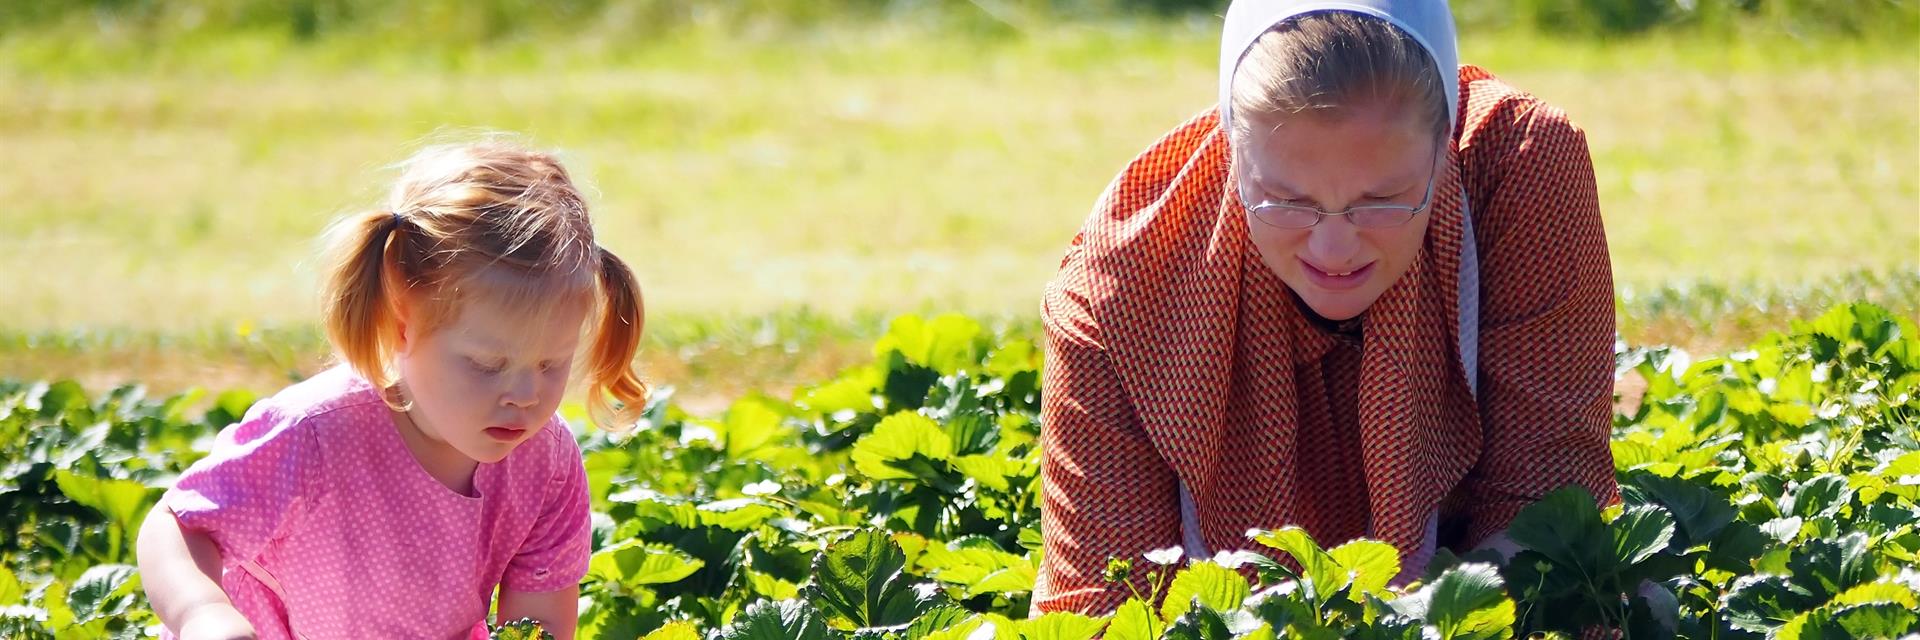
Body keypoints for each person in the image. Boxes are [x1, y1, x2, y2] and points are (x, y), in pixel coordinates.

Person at [1034, 0, 1618, 614]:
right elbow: (1103, 606)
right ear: (1234, 149)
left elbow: (1548, 508)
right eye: (1285, 198)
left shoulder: (1519, 166)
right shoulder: (1123, 288)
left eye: (1383, 198)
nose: (1333, 247)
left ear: (1446, 149)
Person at [136, 140, 650, 639]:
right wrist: (203, 615)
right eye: (486, 364)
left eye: (550, 363)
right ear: (402, 323)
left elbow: (537, 625)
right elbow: (178, 527)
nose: (524, 393)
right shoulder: (317, 433)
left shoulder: (546, 461)